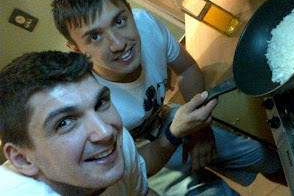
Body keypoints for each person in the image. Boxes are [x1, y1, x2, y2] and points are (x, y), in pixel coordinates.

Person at [51, 0, 285, 195]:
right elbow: (134, 167)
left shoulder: (146, 24)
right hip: (143, 155)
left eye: (120, 21)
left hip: (168, 119)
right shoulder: (85, 99)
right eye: (95, 37)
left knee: (263, 154)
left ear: (130, 13)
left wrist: (200, 131)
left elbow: (186, 68)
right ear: (76, 49)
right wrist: (175, 135)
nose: (118, 44)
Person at [0, 51, 217, 195]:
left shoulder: (117, 146)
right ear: (22, 159)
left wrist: (173, 134)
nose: (105, 131)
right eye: (64, 122)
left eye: (101, 103)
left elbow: (138, 191)